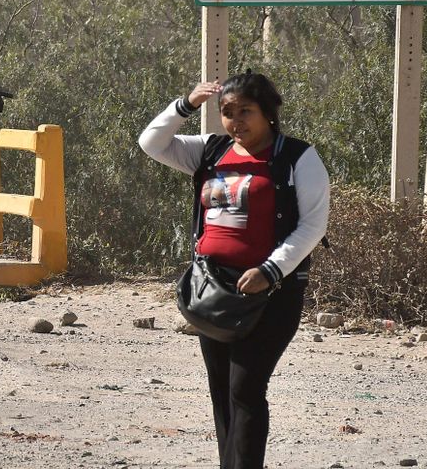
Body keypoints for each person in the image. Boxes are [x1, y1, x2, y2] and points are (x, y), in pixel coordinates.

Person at [138, 72, 330, 468]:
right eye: (227, 112)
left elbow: (313, 224)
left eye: (246, 111)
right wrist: (187, 105)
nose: (236, 121)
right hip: (215, 289)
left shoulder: (296, 157)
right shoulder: (211, 150)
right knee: (223, 390)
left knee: (245, 387)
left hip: (273, 292)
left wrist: (271, 270)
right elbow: (151, 142)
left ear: (268, 113)